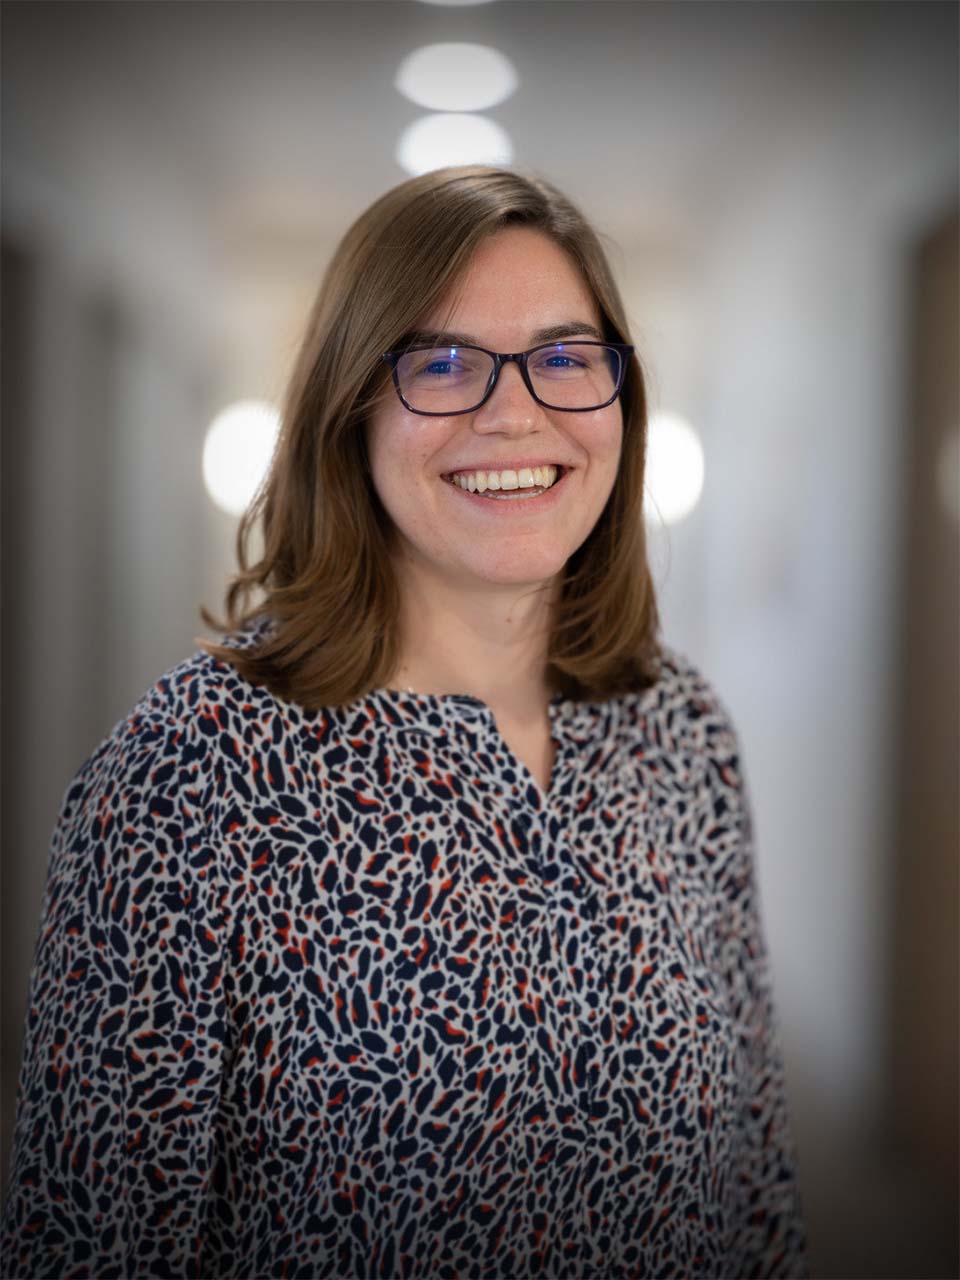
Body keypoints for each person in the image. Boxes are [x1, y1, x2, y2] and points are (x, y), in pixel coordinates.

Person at [0, 165, 808, 1280]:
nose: (515, 409)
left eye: (567, 357)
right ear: (352, 409)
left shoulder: (677, 730)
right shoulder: (189, 775)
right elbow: (88, 1244)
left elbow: (756, 1185)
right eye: (441, 361)